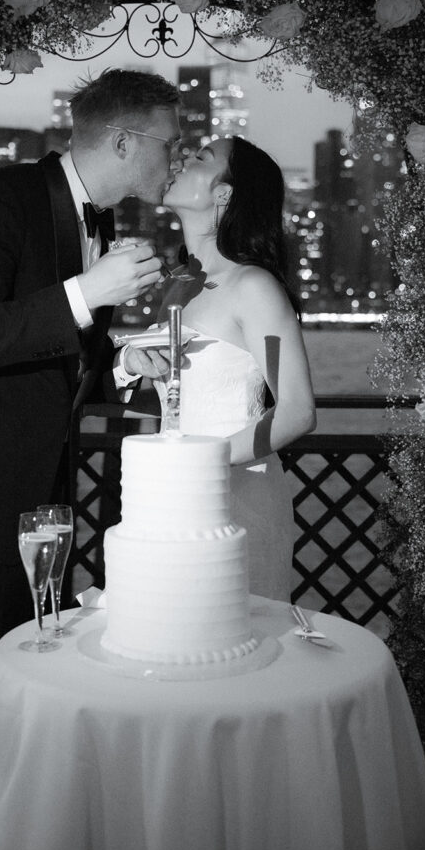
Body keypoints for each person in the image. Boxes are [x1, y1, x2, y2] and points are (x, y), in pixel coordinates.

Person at [0, 68, 182, 850]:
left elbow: (52, 356)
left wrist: (121, 359)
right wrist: (88, 290)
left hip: (41, 503)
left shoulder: (104, 218)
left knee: (32, 696)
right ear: (122, 140)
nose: (176, 156)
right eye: (169, 141)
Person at [124, 135, 316, 601]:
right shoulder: (180, 283)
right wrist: (131, 364)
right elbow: (172, 401)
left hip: (235, 499)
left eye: (201, 158)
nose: (183, 160)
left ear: (223, 193)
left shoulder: (252, 285)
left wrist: (199, 465)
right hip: (169, 497)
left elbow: (296, 411)